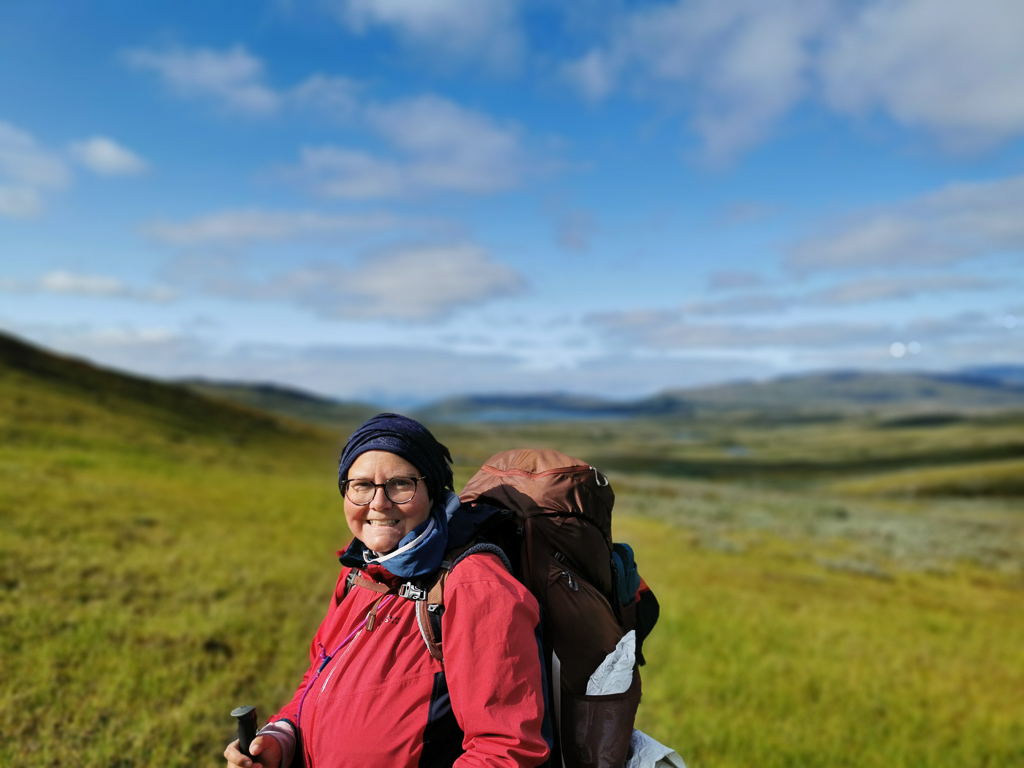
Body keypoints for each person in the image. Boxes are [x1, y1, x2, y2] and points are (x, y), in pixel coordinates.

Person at [224, 413, 551, 768]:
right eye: (361, 485)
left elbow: (507, 749)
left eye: (400, 484)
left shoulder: (474, 586)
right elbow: (319, 679)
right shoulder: (361, 572)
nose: (378, 503)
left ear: (433, 491)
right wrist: (283, 738)